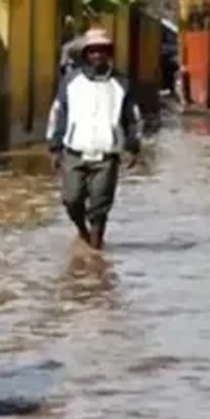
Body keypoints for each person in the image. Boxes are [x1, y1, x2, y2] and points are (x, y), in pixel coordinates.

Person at [45, 27, 140, 251]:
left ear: (110, 54)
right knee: (71, 200)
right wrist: (54, 147)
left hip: (106, 156)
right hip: (74, 153)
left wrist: (133, 147)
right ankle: (82, 231)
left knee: (100, 206)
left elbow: (133, 118)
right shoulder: (71, 82)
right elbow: (58, 113)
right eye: (93, 51)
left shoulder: (121, 83)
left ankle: (96, 252)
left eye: (103, 51)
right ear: (85, 54)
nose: (98, 55)